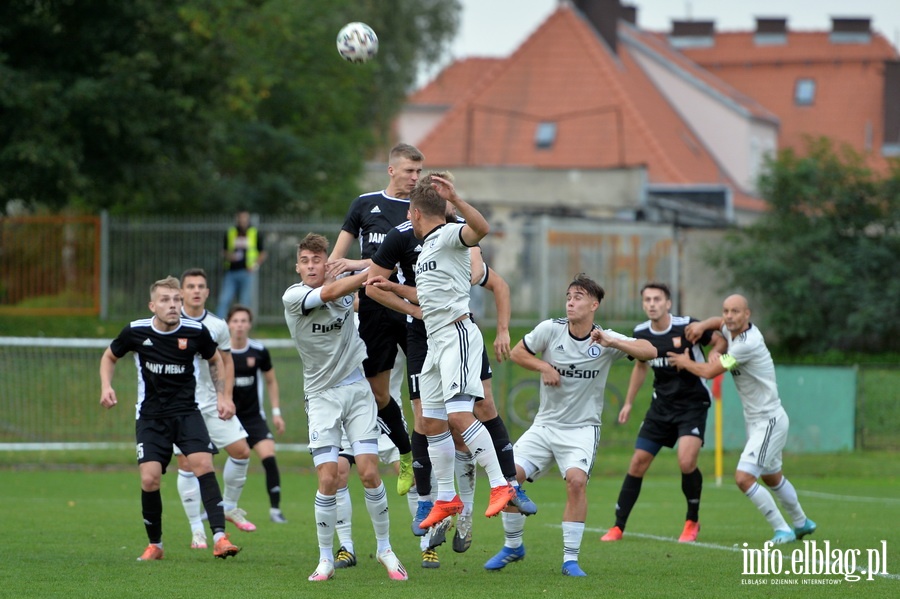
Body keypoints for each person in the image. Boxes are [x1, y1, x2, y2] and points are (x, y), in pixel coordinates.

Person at [366, 187, 535, 558]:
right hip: (433, 341)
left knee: (462, 415)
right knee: (430, 421)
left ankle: (501, 485)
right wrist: (393, 287)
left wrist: (456, 199)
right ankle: (445, 497)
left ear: (414, 213)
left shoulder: (447, 234)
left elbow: (481, 227)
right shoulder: (426, 248)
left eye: (409, 212)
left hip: (457, 334)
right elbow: (427, 296)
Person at [485, 274, 657, 577]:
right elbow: (517, 352)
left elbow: (649, 351)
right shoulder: (551, 330)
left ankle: (570, 560)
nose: (570, 302)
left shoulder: (605, 339)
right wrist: (544, 366)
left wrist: (613, 341)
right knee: (509, 479)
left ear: (594, 304)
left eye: (578, 297)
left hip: (581, 430)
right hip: (545, 426)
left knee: (576, 482)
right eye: (568, 296)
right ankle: (513, 546)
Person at [283, 233, 408, 582]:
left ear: (328, 263)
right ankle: (325, 558)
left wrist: (376, 267)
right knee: (328, 478)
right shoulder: (295, 296)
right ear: (298, 266)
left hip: (356, 388)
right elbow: (333, 293)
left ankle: (385, 549)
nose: (311, 266)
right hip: (321, 395)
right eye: (305, 261)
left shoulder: (346, 288)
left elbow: (364, 288)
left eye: (317, 260)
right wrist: (369, 271)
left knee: (369, 472)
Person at [98, 276, 240, 561]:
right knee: (150, 479)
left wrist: (223, 396)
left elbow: (216, 360)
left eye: (176, 300)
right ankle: (156, 545)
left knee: (204, 465)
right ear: (153, 305)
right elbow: (110, 357)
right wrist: (106, 386)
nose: (173, 305)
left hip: (187, 413)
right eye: (165, 300)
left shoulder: (195, 331)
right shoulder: (135, 332)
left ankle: (220, 537)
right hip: (151, 417)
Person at [668, 294, 817, 545]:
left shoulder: (746, 344)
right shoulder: (731, 330)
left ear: (747, 315)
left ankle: (783, 529)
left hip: (768, 420)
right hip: (758, 421)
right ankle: (802, 523)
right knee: (772, 477)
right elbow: (719, 324)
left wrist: (685, 361)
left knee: (744, 478)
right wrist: (704, 325)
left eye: (735, 311)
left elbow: (708, 371)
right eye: (726, 310)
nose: (728, 316)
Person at [325, 143, 425, 495]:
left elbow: (396, 262)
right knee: (378, 391)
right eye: (410, 171)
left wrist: (355, 266)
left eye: (419, 172)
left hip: (410, 304)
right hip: (373, 307)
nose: (415, 178)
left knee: (424, 397)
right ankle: (406, 451)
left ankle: (433, 468)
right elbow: (336, 260)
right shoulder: (364, 204)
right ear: (391, 170)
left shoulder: (422, 209)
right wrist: (340, 287)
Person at [601, 282, 724, 544]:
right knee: (637, 462)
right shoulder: (641, 332)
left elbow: (721, 340)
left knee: (686, 461)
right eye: (647, 300)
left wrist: (714, 353)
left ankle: (692, 521)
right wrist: (629, 403)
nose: (652, 304)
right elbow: (641, 367)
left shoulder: (687, 326)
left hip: (693, 404)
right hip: (661, 407)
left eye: (657, 299)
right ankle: (618, 526)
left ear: (668, 303)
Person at [175, 269, 256, 550]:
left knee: (242, 450)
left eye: (201, 286)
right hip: (181, 407)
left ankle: (229, 506)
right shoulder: (170, 322)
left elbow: (227, 362)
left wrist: (226, 397)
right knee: (188, 465)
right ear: (181, 292)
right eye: (191, 286)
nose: (196, 291)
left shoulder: (218, 325)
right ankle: (197, 530)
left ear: (208, 292)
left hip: (211, 404)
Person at [227, 304, 287, 524]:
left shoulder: (259, 351)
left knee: (269, 457)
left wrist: (276, 412)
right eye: (235, 321)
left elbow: (271, 381)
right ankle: (218, 507)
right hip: (227, 417)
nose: (240, 325)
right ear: (228, 324)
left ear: (249, 324)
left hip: (254, 417)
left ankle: (275, 510)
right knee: (207, 460)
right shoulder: (221, 352)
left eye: (243, 321)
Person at [218, 210, 266, 317]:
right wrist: (230, 256)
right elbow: (224, 251)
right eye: (241, 218)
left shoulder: (255, 232)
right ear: (237, 218)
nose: (243, 220)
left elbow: (262, 253)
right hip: (231, 271)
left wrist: (255, 265)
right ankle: (219, 326)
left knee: (245, 302)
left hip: (247, 272)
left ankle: (243, 325)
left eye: (245, 218)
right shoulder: (230, 232)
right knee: (224, 300)